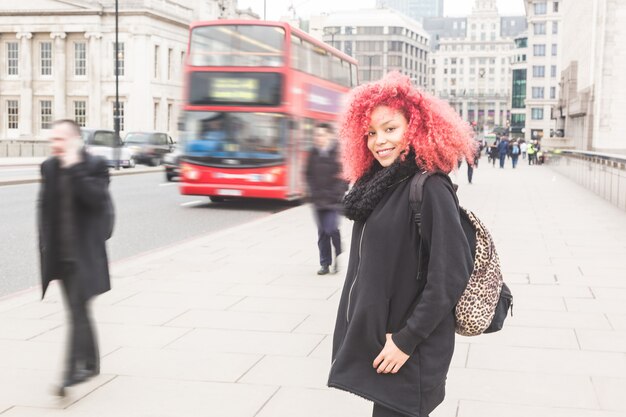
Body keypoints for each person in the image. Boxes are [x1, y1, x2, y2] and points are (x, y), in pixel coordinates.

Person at [328, 72, 474, 417]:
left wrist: (406, 340)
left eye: (390, 129)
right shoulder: (376, 187)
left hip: (410, 349)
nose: (379, 141)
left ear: (417, 128)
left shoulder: (429, 188)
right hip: (386, 344)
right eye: (371, 133)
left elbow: (450, 275)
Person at [38, 119, 113, 396]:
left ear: (73, 140)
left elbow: (96, 200)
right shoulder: (49, 168)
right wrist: (45, 245)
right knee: (78, 311)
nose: (54, 145)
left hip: (86, 254)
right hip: (61, 255)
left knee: (78, 312)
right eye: (52, 140)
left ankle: (70, 375)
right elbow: (44, 209)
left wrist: (75, 168)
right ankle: (91, 363)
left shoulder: (95, 166)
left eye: (59, 139)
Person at [305, 123, 348, 275]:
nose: (319, 138)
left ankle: (338, 253)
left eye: (322, 135)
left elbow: (345, 176)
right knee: (322, 233)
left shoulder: (337, 153)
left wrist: (338, 193)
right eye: (316, 135)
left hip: (333, 201)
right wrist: (312, 192)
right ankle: (325, 264)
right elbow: (308, 174)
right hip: (318, 201)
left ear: (329, 135)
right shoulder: (313, 153)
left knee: (331, 229)